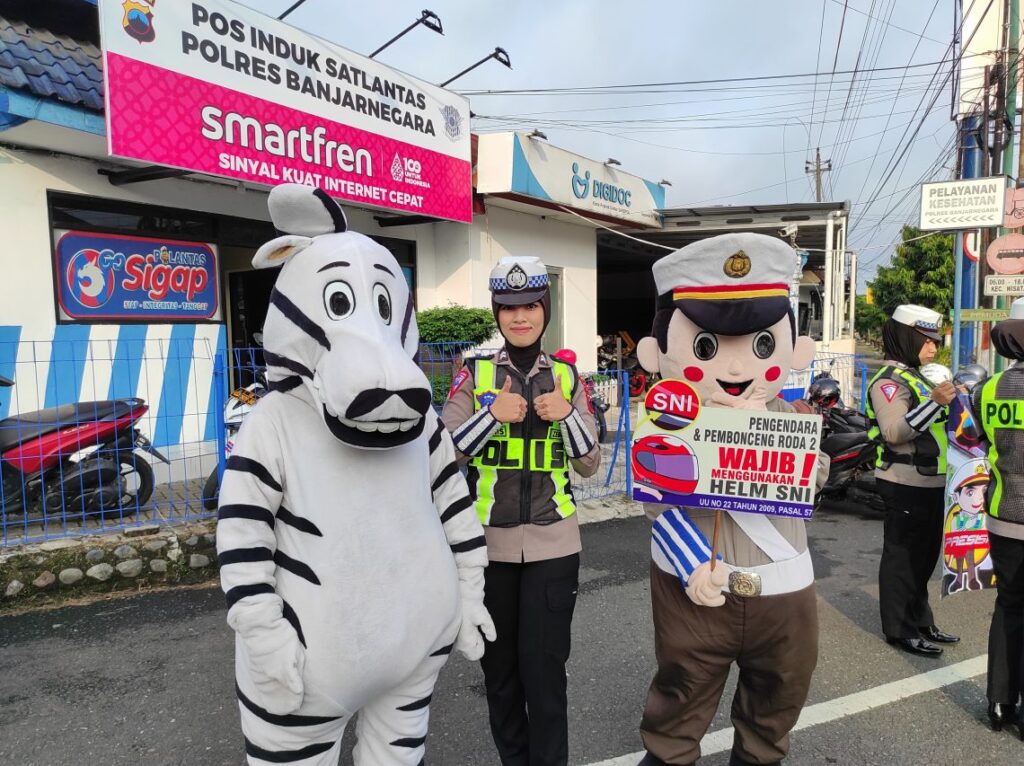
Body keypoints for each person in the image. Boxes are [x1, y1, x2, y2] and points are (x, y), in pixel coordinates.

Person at [633, 232, 828, 766]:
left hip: (783, 596)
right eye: (706, 347)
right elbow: (656, 501)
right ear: (657, 352)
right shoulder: (664, 422)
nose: (738, 368)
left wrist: (762, 429)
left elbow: (813, 480)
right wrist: (693, 563)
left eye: (762, 345)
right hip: (692, 595)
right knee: (675, 722)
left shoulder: (795, 418)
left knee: (770, 724)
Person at [441, 256, 601, 766]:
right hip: (488, 553)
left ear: (545, 310)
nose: (520, 316)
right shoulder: (473, 374)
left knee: (546, 676)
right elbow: (443, 456)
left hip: (556, 548)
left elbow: (590, 463)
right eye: (508, 307)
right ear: (497, 312)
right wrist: (490, 416)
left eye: (531, 304)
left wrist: (568, 414)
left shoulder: (568, 377)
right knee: (501, 677)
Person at [865, 305, 959, 657]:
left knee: (924, 557)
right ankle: (899, 629)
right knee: (902, 558)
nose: (934, 347)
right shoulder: (890, 381)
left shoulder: (917, 377)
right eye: (927, 340)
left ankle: (921, 620)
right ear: (906, 337)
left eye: (936, 340)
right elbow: (893, 432)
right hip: (904, 479)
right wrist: (934, 403)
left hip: (931, 480)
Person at [971, 296, 1024, 736]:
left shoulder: (988, 389)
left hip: (1003, 515)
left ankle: (1000, 705)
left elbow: (988, 443)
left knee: (1009, 606)